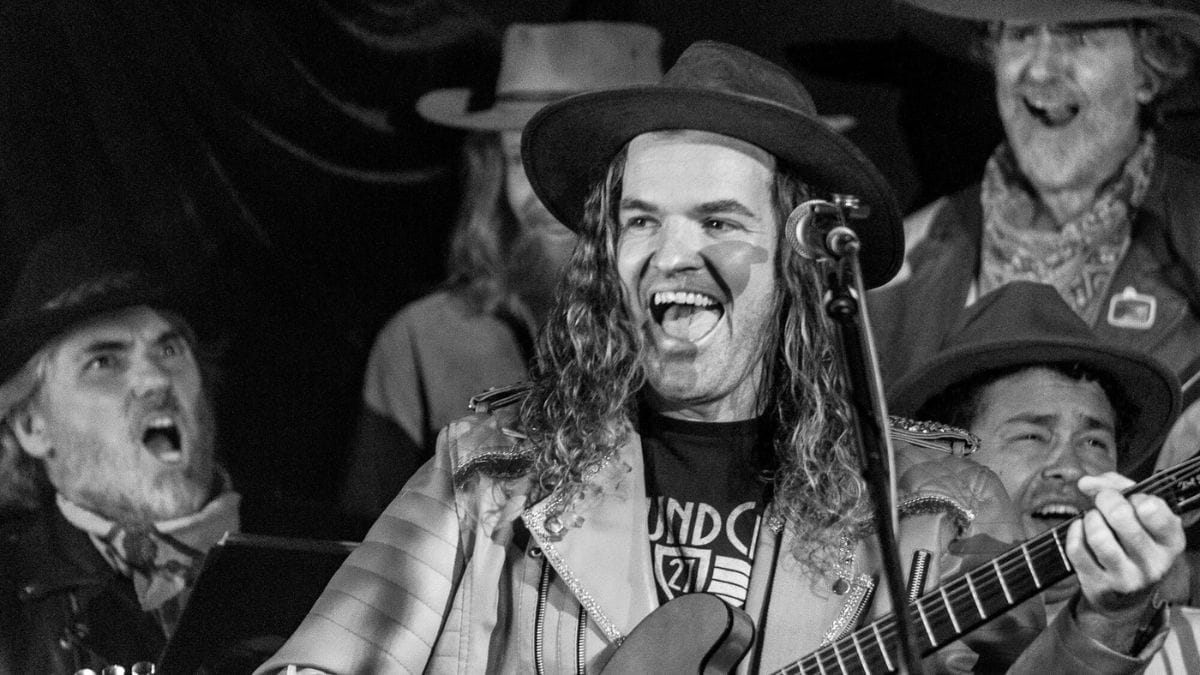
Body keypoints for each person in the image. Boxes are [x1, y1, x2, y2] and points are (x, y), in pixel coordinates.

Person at [258, 41, 1173, 674]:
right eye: (641, 221)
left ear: (800, 262)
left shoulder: (935, 506)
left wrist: (1107, 619)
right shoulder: (491, 472)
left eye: (719, 222)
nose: (672, 254)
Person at [339, 22, 664, 521]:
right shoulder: (421, 341)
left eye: (582, 163)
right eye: (520, 159)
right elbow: (365, 540)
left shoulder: (700, 340)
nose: (546, 194)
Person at [872, 0, 1200, 473]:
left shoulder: (1188, 228)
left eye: (1078, 36)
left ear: (1149, 71)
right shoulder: (901, 261)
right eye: (1022, 35)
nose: (1042, 70)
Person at [889, 280, 1192, 672]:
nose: (1072, 467)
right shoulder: (855, 616)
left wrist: (1114, 620)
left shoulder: (1191, 650)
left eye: (1095, 442)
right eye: (1032, 436)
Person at [0, 227, 239, 673]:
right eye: (104, 362)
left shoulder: (334, 560)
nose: (155, 380)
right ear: (33, 427)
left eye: (169, 349)